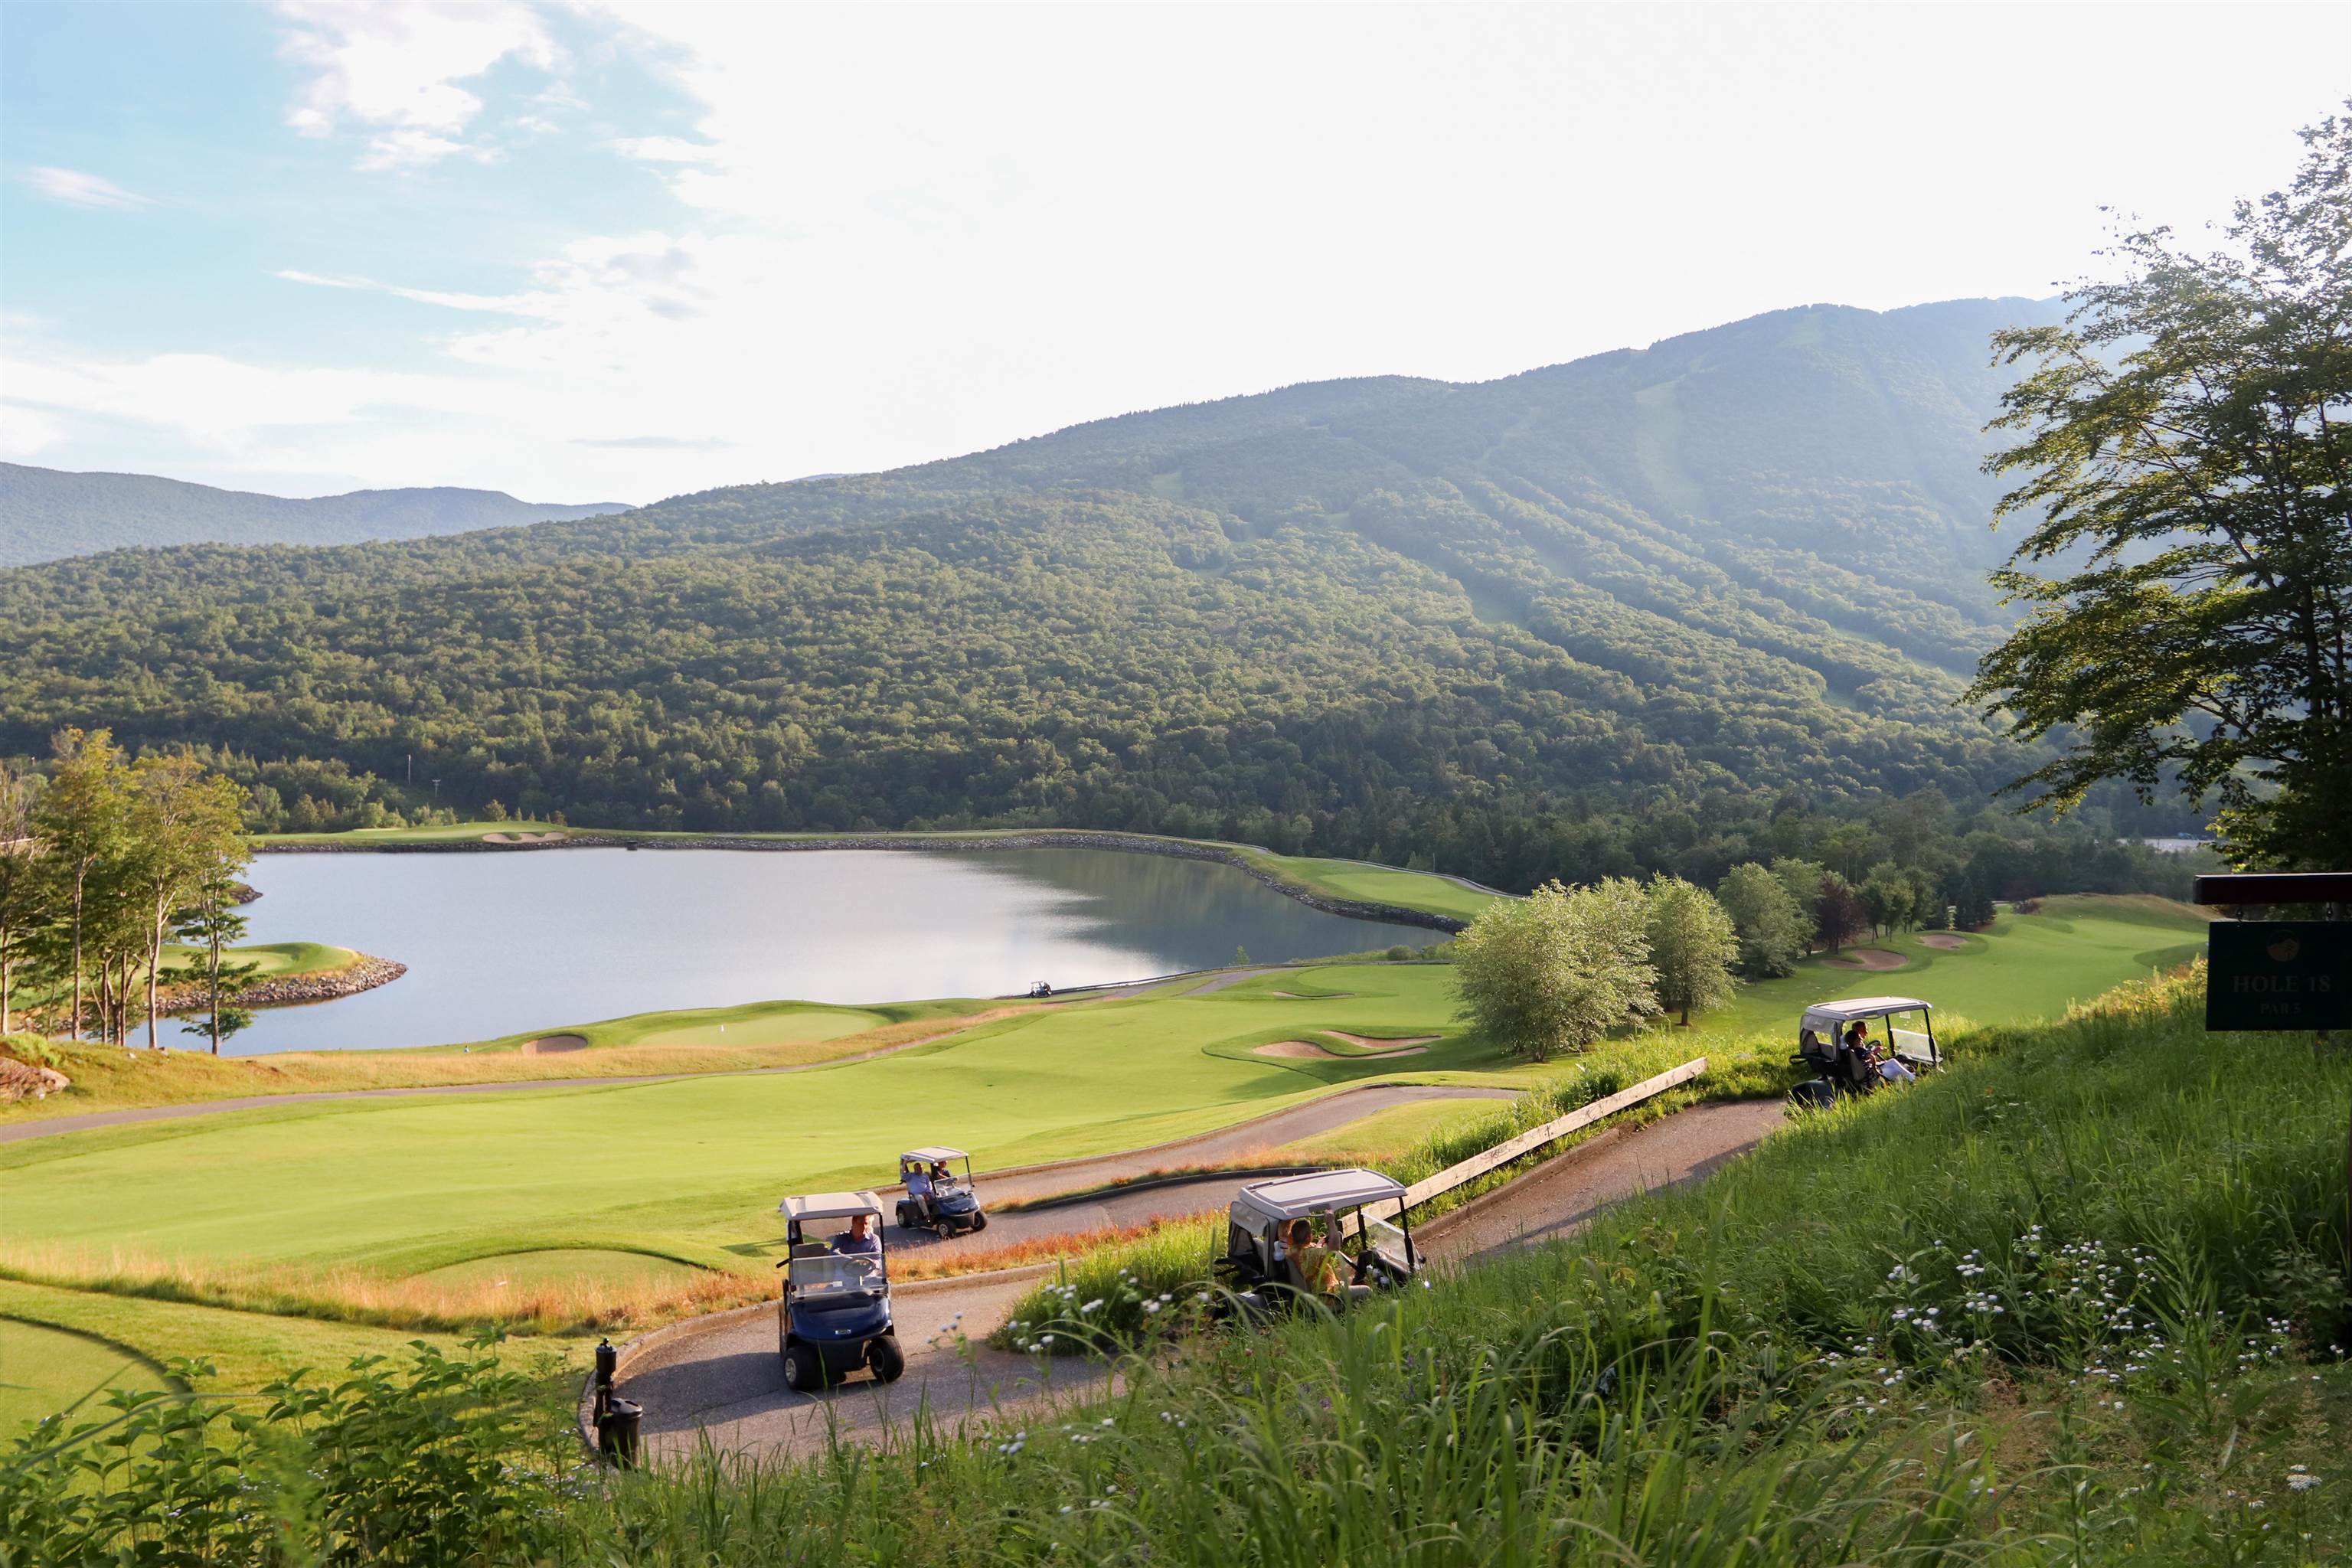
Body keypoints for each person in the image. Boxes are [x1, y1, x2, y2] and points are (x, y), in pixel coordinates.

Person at [1286, 1218, 1348, 1302]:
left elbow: (1312, 1254)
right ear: (1308, 1237)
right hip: (1329, 1295)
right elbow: (1335, 1246)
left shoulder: (1291, 1251)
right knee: (1365, 1290)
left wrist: (1319, 1244)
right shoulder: (1311, 1254)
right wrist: (1331, 1221)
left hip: (1317, 1294)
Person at [903, 1161, 934, 1225]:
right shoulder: (910, 1176)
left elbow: (929, 1185)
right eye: (916, 1168)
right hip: (915, 1195)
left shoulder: (925, 1176)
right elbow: (903, 1176)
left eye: (919, 1168)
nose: (918, 1170)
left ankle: (936, 1212)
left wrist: (927, 1193)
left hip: (925, 1192)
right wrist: (903, 1165)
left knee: (937, 1195)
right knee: (920, 1199)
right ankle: (927, 1215)